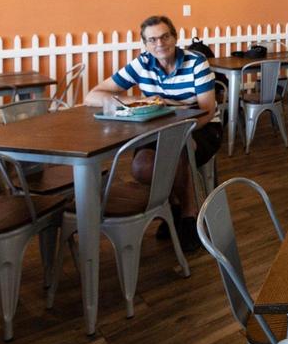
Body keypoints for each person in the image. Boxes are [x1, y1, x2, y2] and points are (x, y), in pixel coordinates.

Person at [85, 15, 222, 252]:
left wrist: (179, 130)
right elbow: (92, 96)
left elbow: (207, 110)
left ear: (175, 37)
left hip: (201, 127)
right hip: (157, 129)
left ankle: (189, 217)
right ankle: (174, 206)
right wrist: (139, 99)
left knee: (181, 149)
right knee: (141, 167)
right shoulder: (142, 63)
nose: (160, 43)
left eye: (165, 36)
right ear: (145, 44)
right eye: (152, 39)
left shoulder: (196, 62)